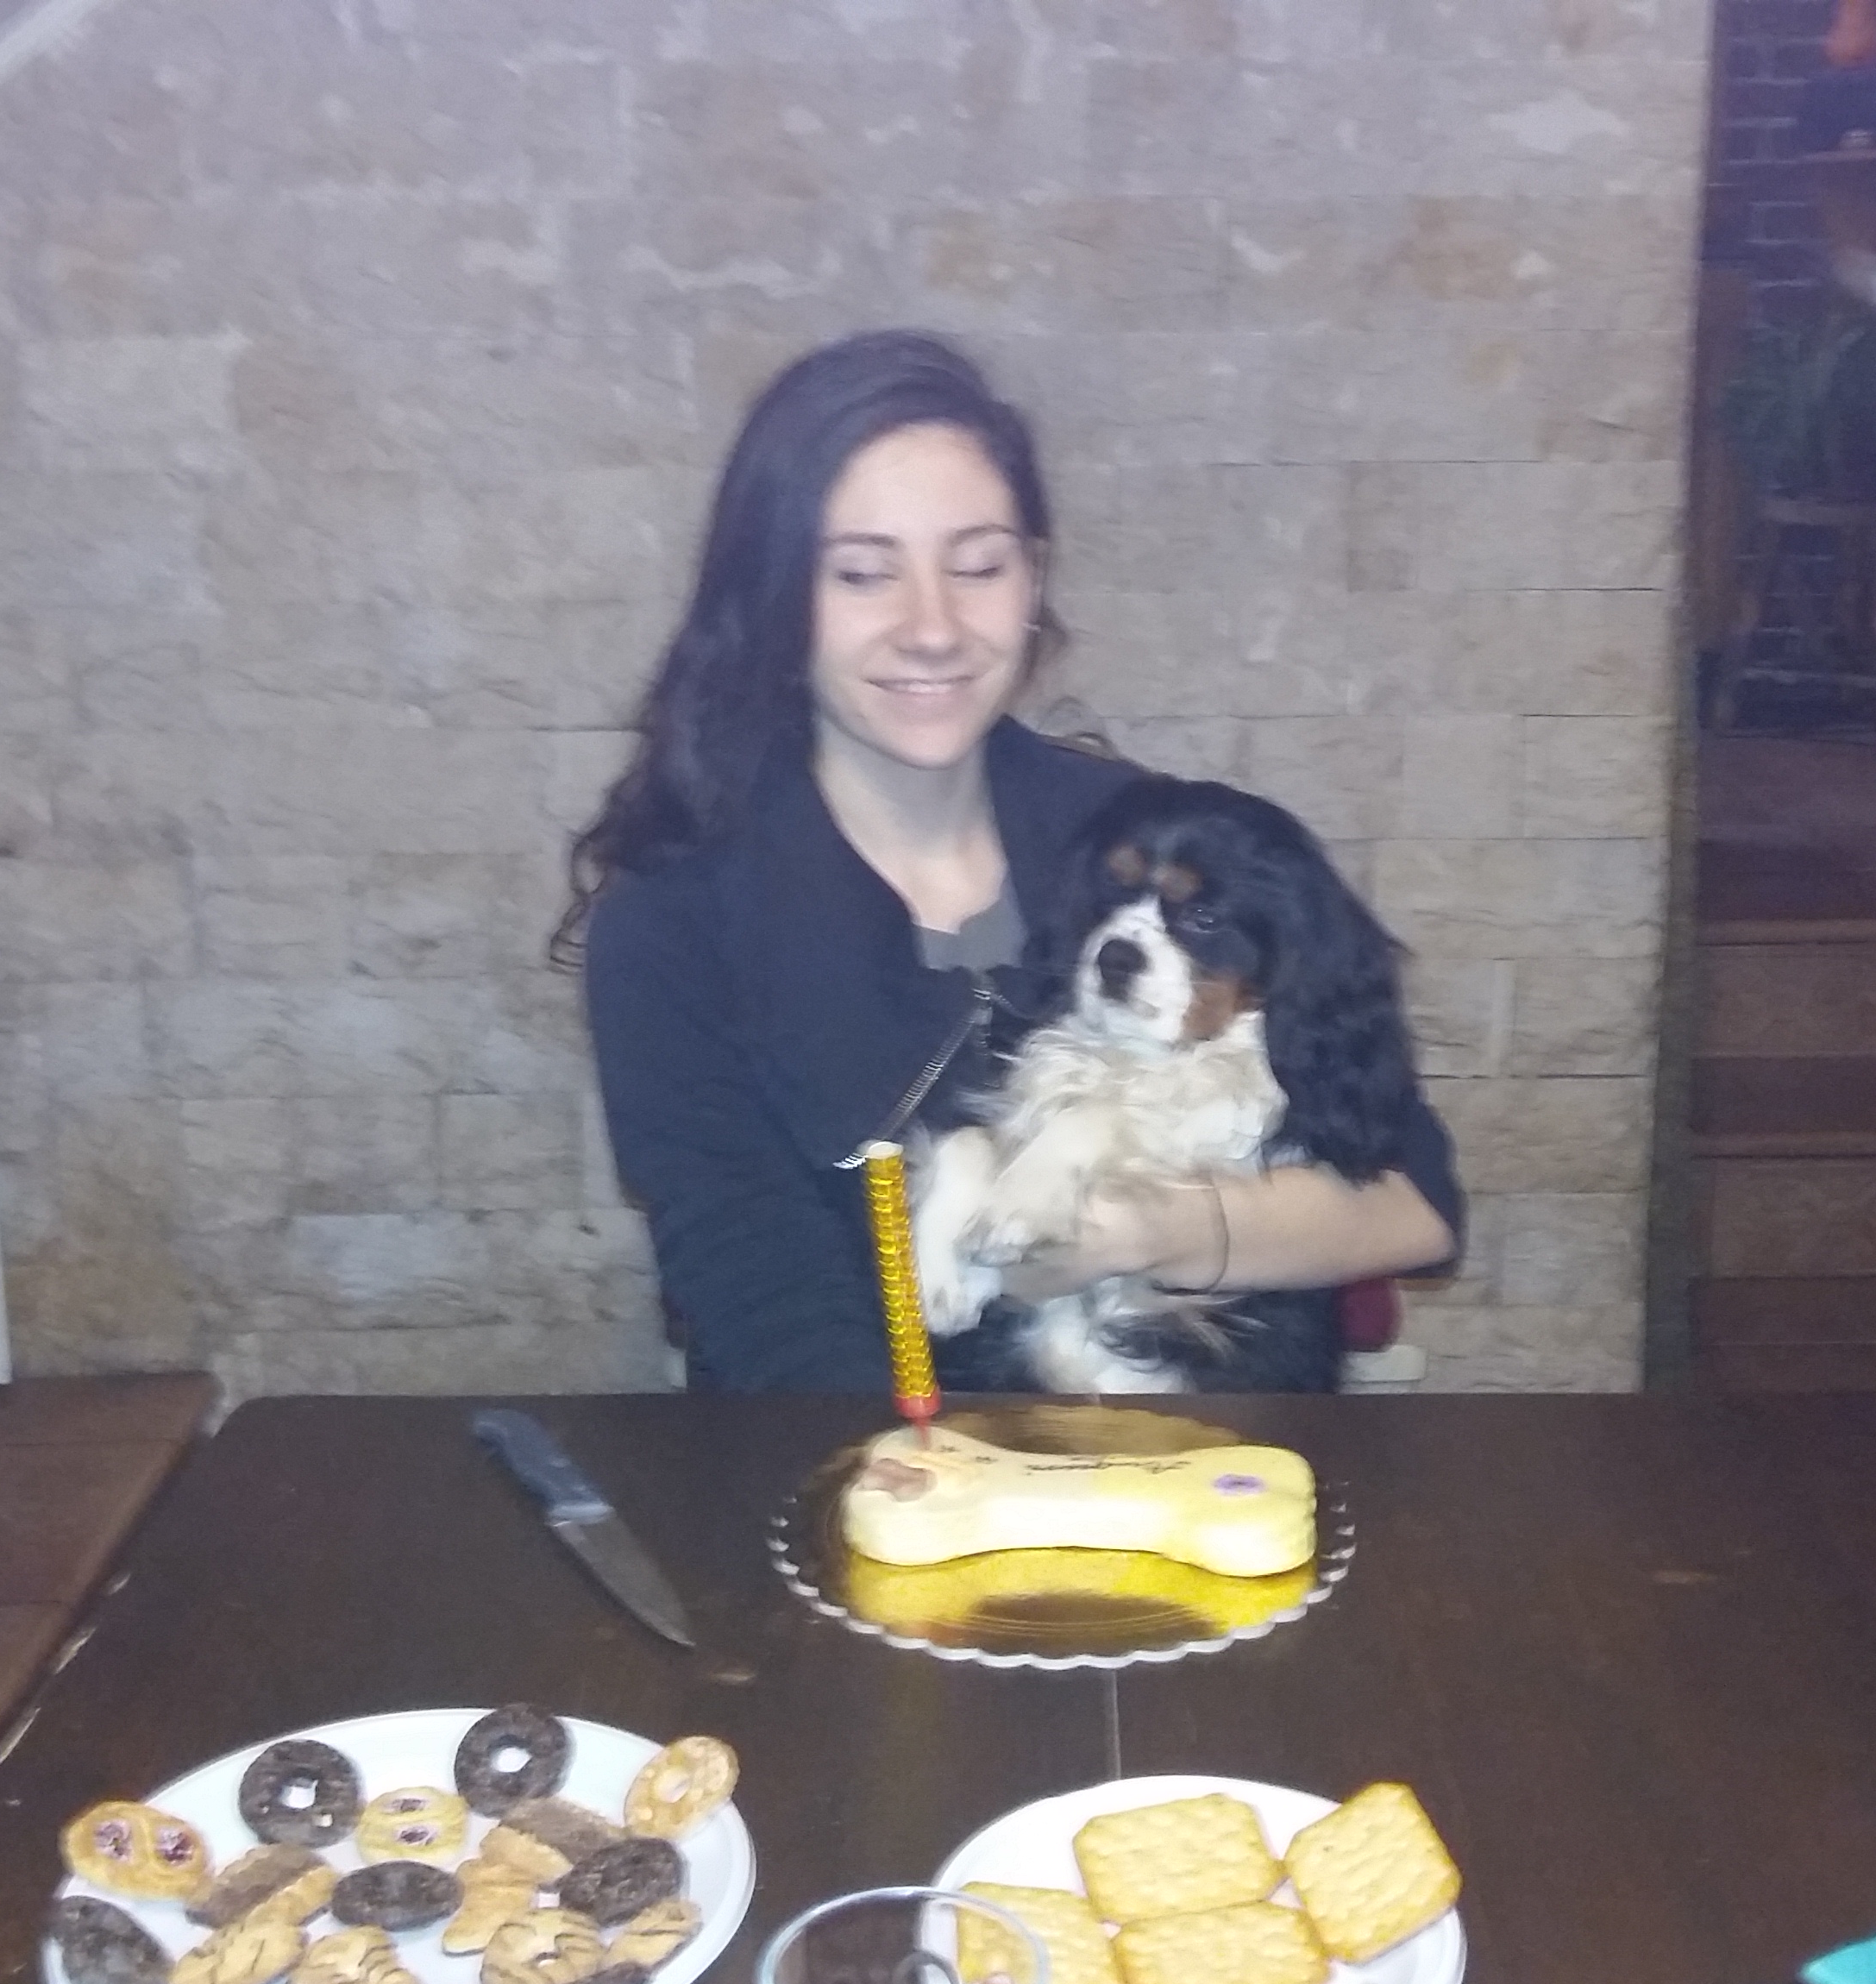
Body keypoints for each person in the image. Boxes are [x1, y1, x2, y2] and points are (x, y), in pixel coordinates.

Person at [557, 330, 1461, 1391]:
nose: (933, 628)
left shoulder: (1134, 837)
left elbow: (1416, 1201)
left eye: (979, 565)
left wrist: (1149, 1231)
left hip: (1202, 1447)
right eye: (862, 573)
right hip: (869, 1444)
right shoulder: (675, 919)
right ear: (775, 599)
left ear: (1033, 576)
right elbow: (761, 1296)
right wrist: (932, 1477)